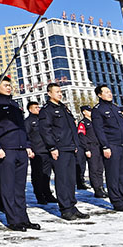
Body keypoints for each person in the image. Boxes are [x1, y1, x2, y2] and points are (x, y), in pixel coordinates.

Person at [0, 75, 40, 231]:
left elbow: (22, 128)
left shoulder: (15, 105)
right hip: (6, 150)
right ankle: (13, 220)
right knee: (8, 187)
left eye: (9, 85)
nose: (8, 87)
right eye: (5, 85)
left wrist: (28, 145)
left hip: (21, 149)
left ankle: (23, 218)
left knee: (19, 188)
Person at [38, 83, 89, 221]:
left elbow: (72, 128)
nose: (60, 94)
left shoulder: (64, 108)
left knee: (71, 179)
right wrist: (52, 147)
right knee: (62, 180)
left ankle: (72, 206)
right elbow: (45, 130)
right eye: (57, 92)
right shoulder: (47, 110)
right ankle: (65, 209)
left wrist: (76, 144)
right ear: (49, 93)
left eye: (60, 92)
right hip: (59, 149)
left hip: (70, 147)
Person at [91, 86, 123, 213]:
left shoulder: (115, 108)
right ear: (99, 95)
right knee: (113, 175)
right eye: (106, 92)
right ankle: (117, 201)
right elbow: (99, 130)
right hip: (111, 146)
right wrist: (105, 146)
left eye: (110, 91)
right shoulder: (98, 110)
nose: (110, 94)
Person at [24, 101, 56, 204]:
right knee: (38, 175)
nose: (38, 109)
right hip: (36, 152)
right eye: (36, 107)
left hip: (46, 150)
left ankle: (47, 194)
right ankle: (39, 195)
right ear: (30, 109)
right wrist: (29, 149)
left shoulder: (43, 120)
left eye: (39, 107)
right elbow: (26, 136)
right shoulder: (28, 121)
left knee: (47, 175)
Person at [76, 105, 107, 199]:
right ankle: (97, 189)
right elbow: (81, 137)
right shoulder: (83, 123)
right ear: (84, 112)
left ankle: (101, 187)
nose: (91, 112)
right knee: (93, 169)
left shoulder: (95, 122)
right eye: (88, 111)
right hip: (91, 147)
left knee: (100, 169)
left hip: (99, 147)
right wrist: (86, 149)